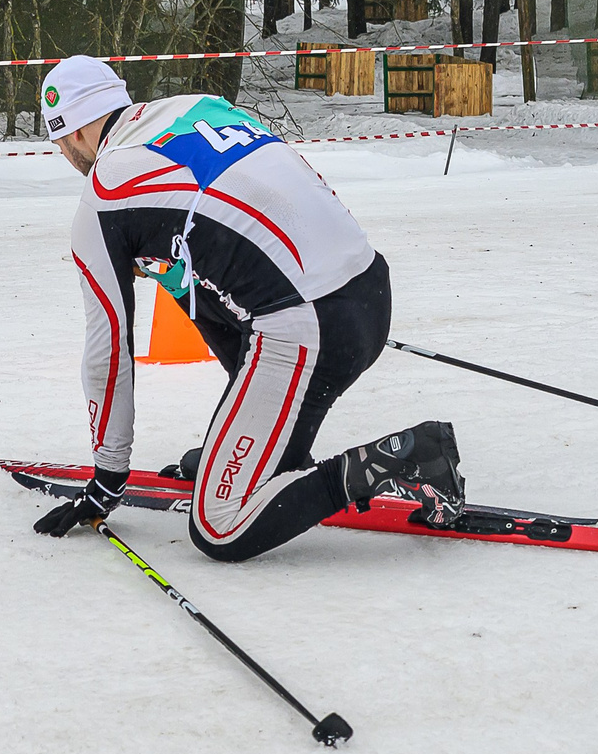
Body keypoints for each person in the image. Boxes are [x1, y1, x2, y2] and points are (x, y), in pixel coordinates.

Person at [30, 54, 464, 562]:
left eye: (58, 141)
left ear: (77, 132)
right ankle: (255, 454)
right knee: (207, 279)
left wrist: (107, 477)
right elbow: (217, 281)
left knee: (219, 529)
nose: (63, 153)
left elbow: (108, 353)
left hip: (309, 330)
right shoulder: (201, 107)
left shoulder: (103, 196)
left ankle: (408, 456)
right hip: (369, 288)